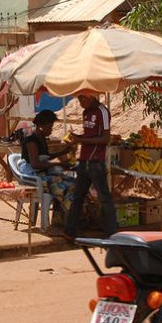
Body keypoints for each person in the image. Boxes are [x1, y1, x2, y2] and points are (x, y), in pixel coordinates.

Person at [65, 92, 118, 239]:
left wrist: (80, 140)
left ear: (92, 96)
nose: (80, 101)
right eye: (79, 98)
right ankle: (70, 231)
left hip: (96, 162)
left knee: (104, 197)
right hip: (84, 160)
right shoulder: (86, 112)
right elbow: (89, 136)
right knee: (78, 197)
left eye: (83, 98)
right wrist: (77, 139)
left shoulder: (103, 111)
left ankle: (112, 232)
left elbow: (105, 138)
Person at [20, 110, 76, 230]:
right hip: (34, 176)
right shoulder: (31, 140)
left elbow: (46, 156)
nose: (51, 130)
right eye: (49, 126)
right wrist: (58, 164)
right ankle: (65, 222)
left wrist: (63, 152)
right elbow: (36, 163)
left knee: (73, 182)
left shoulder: (42, 139)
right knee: (67, 186)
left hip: (42, 173)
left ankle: (60, 221)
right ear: (41, 126)